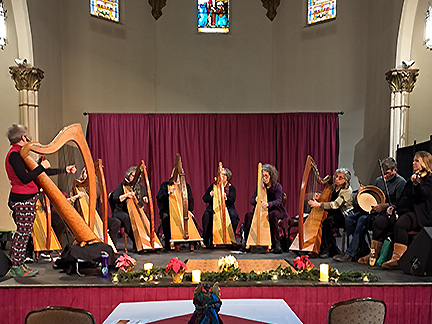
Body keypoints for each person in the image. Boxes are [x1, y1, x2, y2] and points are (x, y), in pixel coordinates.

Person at [5, 124, 76, 277]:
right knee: (22, 233)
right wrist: (41, 167)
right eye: (27, 136)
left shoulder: (21, 154)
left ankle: (20, 263)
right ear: (23, 137)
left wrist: (64, 170)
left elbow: (39, 172)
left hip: (28, 198)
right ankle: (16, 265)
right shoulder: (14, 155)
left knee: (24, 234)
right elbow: (25, 178)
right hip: (22, 199)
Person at [360, 151, 432, 269]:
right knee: (378, 222)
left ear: (425, 163)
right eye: (413, 160)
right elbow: (402, 197)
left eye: (416, 161)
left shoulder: (429, 179)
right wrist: (393, 207)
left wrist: (417, 185)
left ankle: (398, 258)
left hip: (418, 214)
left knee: (401, 224)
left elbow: (423, 197)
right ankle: (374, 254)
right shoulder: (412, 178)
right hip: (403, 211)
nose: (413, 163)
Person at [334, 157, 406, 262]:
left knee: (362, 220)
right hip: (372, 211)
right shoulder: (379, 180)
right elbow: (373, 195)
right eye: (383, 173)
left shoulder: (400, 182)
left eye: (387, 173)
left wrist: (384, 206)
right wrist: (363, 192)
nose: (385, 176)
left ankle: (350, 254)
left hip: (385, 214)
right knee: (350, 219)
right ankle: (362, 249)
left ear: (395, 170)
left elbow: (399, 203)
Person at [243, 164, 288, 254]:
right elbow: (251, 201)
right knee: (248, 215)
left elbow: (279, 201)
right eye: (263, 176)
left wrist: (268, 204)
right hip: (261, 211)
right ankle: (246, 243)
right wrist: (256, 200)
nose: (264, 178)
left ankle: (276, 244)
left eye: (266, 176)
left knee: (272, 215)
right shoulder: (260, 187)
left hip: (276, 210)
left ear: (271, 176)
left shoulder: (277, 186)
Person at [308, 168, 352, 258]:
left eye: (340, 178)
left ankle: (326, 249)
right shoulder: (333, 187)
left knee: (327, 222)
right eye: (336, 176)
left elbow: (335, 204)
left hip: (343, 215)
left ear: (345, 180)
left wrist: (319, 204)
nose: (337, 179)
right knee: (322, 220)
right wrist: (319, 196)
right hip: (333, 213)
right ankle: (331, 248)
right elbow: (328, 198)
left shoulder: (347, 190)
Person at [111, 166, 148, 251]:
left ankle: (145, 242)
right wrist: (126, 195)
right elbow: (115, 198)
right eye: (132, 175)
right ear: (128, 175)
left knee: (144, 217)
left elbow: (143, 198)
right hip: (120, 211)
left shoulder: (140, 188)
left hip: (136, 211)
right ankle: (136, 242)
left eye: (136, 176)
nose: (134, 178)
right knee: (126, 218)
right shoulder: (121, 186)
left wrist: (145, 199)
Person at [202, 167, 239, 247]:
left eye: (224, 175)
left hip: (227, 207)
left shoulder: (231, 188)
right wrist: (210, 195)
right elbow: (205, 198)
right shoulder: (213, 186)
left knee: (234, 215)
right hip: (214, 207)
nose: (221, 177)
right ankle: (206, 239)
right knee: (207, 215)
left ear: (227, 177)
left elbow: (232, 200)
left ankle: (231, 238)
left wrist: (226, 198)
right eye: (220, 175)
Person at [156, 173, 194, 250]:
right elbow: (159, 197)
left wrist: (188, 210)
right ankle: (168, 242)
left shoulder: (186, 186)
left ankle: (193, 242)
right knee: (166, 217)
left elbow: (190, 200)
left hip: (183, 211)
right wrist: (168, 193)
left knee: (190, 219)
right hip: (167, 210)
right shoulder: (165, 185)